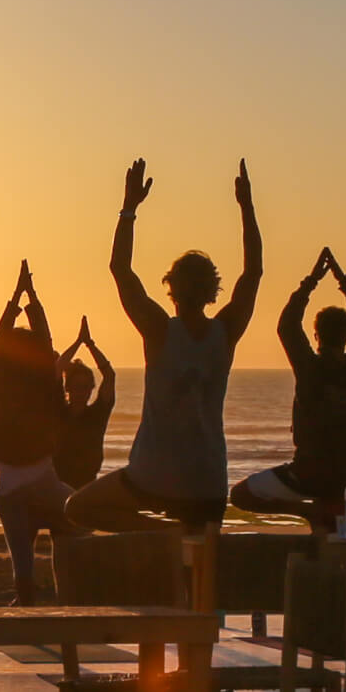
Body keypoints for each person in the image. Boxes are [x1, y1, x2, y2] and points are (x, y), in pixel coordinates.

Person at [66, 158, 266, 533]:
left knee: (79, 507)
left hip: (153, 477)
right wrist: (247, 208)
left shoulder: (159, 329)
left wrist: (129, 209)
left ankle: (163, 533)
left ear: (170, 287)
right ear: (212, 290)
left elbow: (120, 270)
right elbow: (253, 271)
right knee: (200, 577)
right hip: (208, 480)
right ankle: (177, 540)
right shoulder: (226, 331)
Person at [230, 247, 346, 534]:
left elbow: (287, 325)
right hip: (344, 477)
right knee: (336, 539)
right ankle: (320, 518)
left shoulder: (311, 368)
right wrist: (345, 283)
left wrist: (311, 281)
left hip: (307, 472)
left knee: (240, 495)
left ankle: (308, 511)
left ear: (316, 334)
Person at [0, 261, 74, 602]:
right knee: (79, 517)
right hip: (43, 479)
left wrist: (17, 297)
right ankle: (71, 584)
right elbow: (44, 340)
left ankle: (26, 593)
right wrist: (31, 298)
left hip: (7, 484)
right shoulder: (44, 380)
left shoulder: (1, 381)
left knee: (20, 549)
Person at [52, 319, 118, 490]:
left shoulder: (97, 414)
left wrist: (90, 345)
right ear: (68, 388)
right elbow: (57, 370)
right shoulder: (59, 411)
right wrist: (77, 343)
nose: (81, 392)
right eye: (76, 387)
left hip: (87, 484)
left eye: (86, 387)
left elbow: (109, 375)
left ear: (91, 389)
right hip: (57, 483)